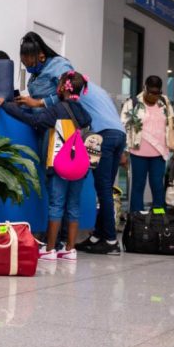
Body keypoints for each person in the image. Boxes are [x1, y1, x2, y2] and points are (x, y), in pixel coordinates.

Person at [0, 71, 92, 262]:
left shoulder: (56, 110)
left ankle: (50, 249)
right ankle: (70, 249)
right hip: (80, 167)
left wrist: (6, 105)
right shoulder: (84, 113)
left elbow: (33, 120)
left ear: (62, 87)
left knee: (56, 204)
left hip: (59, 165)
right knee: (73, 206)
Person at [74, 80, 127, 255]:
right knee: (106, 189)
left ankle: (111, 241)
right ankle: (98, 235)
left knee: (103, 190)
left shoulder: (78, 96)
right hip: (119, 136)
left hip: (104, 137)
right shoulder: (97, 90)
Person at [120, 76, 174, 211]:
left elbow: (172, 124)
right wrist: (123, 151)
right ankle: (136, 218)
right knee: (138, 185)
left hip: (159, 153)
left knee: (157, 185)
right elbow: (124, 127)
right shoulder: (132, 103)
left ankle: (158, 218)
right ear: (145, 88)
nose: (154, 96)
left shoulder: (164, 102)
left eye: (157, 93)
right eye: (151, 92)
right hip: (138, 152)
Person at [15, 32, 72, 109]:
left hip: (58, 118)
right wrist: (23, 102)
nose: (29, 69)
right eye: (26, 65)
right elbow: (35, 100)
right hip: (40, 118)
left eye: (31, 65)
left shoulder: (59, 66)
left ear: (42, 57)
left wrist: (39, 103)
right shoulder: (36, 72)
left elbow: (70, 94)